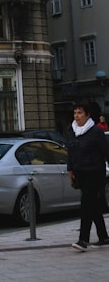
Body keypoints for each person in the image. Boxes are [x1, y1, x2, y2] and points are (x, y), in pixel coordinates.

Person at [66, 99, 109, 251]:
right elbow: (70, 152)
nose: (76, 116)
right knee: (94, 204)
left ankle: (83, 240)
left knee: (86, 204)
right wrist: (70, 169)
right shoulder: (72, 130)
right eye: (75, 113)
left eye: (80, 113)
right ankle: (103, 236)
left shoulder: (96, 131)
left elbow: (106, 151)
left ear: (87, 115)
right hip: (80, 173)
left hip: (95, 172)